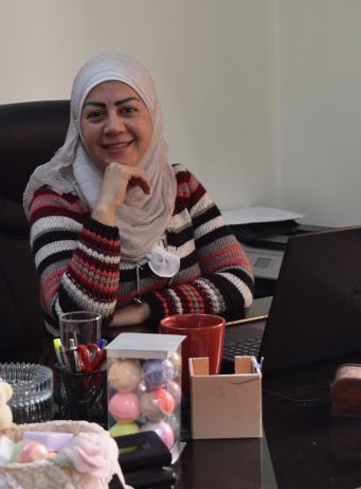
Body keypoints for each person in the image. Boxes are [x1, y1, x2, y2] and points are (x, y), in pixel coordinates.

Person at [22, 53, 254, 333]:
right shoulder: (55, 199)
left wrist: (148, 308)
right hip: (94, 360)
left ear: (152, 115)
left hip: (183, 358)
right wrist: (105, 209)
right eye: (95, 114)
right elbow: (76, 319)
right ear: (78, 126)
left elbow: (239, 281)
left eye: (128, 110)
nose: (113, 127)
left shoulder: (180, 185)